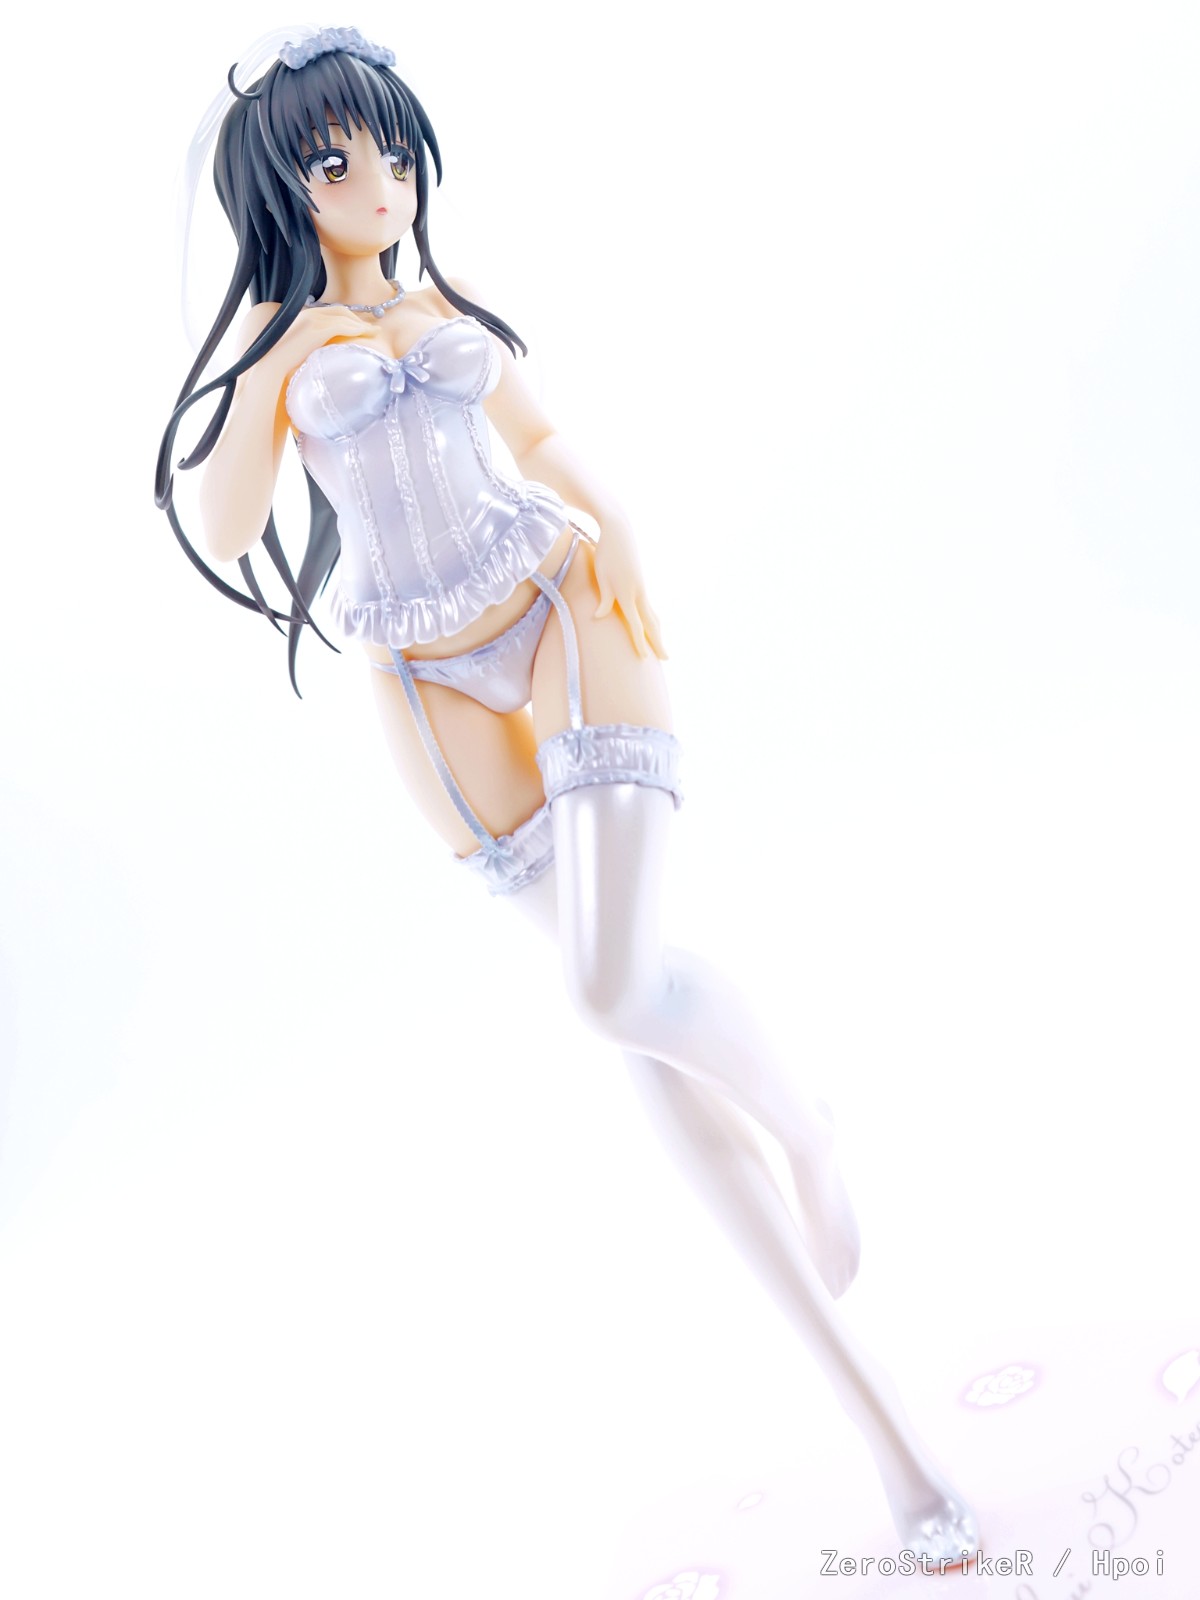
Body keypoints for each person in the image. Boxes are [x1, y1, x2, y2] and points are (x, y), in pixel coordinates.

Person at [157, 24, 979, 1560]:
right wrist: (270, 354)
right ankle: (898, 1451)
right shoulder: (286, 352)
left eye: (392, 154)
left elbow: (545, 441)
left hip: (557, 612)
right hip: (423, 686)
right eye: (335, 162)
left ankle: (805, 1126)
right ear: (281, 184)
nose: (379, 186)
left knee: (614, 989)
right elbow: (225, 521)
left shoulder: (448, 305)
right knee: (634, 1032)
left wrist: (630, 540)